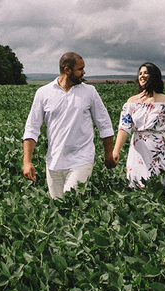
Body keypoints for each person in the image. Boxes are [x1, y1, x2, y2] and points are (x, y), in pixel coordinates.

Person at [22, 52, 117, 199]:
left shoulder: (90, 92)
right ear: (67, 70)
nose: (84, 72)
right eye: (80, 69)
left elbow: (104, 124)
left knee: (70, 201)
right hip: (54, 162)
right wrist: (27, 161)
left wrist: (108, 155)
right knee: (58, 209)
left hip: (81, 159)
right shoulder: (43, 93)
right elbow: (32, 128)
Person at [112, 62, 165, 189]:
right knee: (137, 186)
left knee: (160, 187)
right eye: (140, 73)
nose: (142, 76)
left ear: (154, 76)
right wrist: (116, 151)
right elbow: (124, 128)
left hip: (159, 151)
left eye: (146, 73)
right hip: (138, 151)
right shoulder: (131, 102)